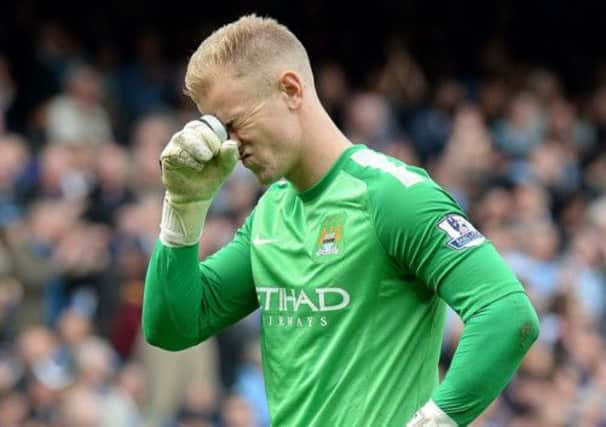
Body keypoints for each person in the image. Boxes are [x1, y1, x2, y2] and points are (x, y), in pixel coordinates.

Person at [142, 14, 540, 426]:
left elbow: (507, 315)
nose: (229, 144)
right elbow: (173, 326)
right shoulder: (271, 213)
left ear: (291, 90)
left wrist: (434, 421)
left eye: (235, 123)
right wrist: (183, 205)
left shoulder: (391, 195)